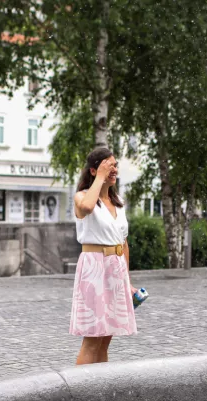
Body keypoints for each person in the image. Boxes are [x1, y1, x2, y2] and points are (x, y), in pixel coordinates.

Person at [70, 147, 137, 365]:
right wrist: (99, 176)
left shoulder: (119, 203)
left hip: (115, 268)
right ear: (93, 170)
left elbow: (123, 243)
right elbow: (88, 207)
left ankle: (100, 388)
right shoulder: (82, 197)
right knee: (92, 337)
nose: (114, 170)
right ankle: (80, 392)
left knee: (106, 337)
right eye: (108, 166)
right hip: (94, 268)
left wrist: (127, 281)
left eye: (115, 165)